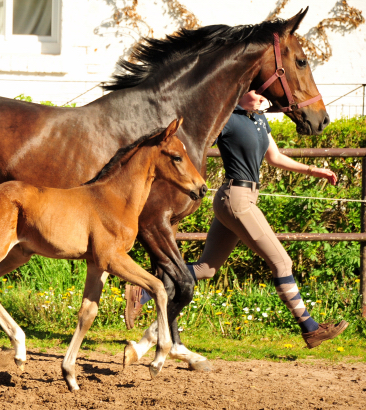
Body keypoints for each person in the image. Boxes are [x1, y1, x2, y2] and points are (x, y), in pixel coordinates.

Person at [124, 90, 348, 349]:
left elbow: (274, 158)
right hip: (235, 199)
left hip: (244, 198)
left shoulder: (261, 120)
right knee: (282, 262)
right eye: (256, 90)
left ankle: (142, 292)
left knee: (206, 268)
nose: (261, 94)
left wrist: (312, 170)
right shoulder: (227, 119)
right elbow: (195, 142)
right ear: (241, 94)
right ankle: (310, 328)